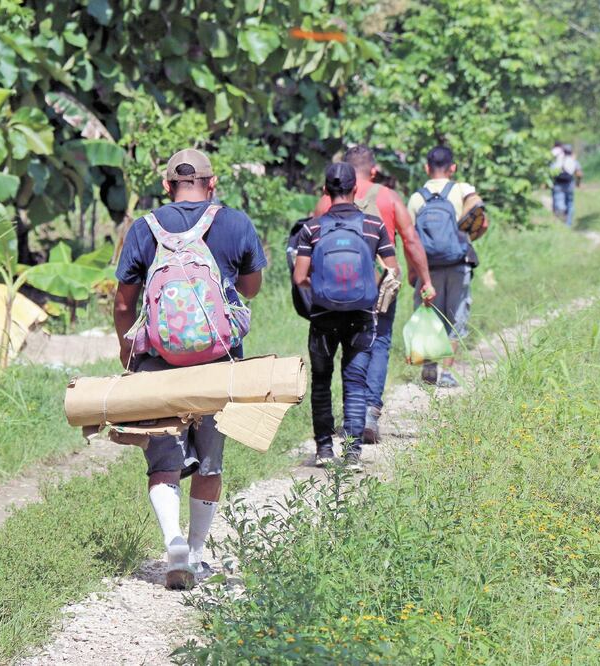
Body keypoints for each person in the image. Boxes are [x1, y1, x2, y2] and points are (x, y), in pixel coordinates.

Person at [114, 149, 266, 590]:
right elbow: (251, 288)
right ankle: (197, 554)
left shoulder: (144, 228)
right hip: (219, 363)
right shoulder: (235, 223)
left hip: (159, 365)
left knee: (163, 462)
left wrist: (127, 351)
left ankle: (173, 542)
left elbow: (123, 303)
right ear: (211, 183)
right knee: (210, 465)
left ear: (167, 186)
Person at [313, 145, 434, 444]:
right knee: (378, 342)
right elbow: (411, 239)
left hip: (334, 289)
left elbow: (312, 243)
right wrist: (425, 280)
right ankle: (367, 412)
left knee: (340, 349)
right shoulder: (389, 197)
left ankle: (340, 422)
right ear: (374, 170)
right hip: (380, 283)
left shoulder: (325, 201)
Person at [294, 163, 402, 470]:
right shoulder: (373, 225)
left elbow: (299, 277)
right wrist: (367, 287)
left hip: (323, 316)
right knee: (355, 382)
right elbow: (393, 269)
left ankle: (324, 450)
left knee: (321, 381)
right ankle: (352, 454)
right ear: (355, 189)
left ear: (325, 191)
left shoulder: (312, 228)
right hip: (361, 315)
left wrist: (323, 289)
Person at [406, 145, 489, 388]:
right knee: (455, 319)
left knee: (429, 316)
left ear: (426, 168)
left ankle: (430, 363)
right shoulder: (462, 190)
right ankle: (448, 373)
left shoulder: (416, 198)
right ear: (452, 168)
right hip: (457, 265)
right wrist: (466, 241)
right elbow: (483, 223)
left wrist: (413, 271)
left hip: (427, 269)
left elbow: (410, 241)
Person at [550, 144, 582, 227]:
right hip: (569, 185)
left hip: (558, 185)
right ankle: (568, 224)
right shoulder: (573, 161)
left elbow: (550, 172)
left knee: (560, 204)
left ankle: (563, 217)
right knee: (570, 204)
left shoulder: (557, 160)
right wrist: (578, 183)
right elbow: (579, 174)